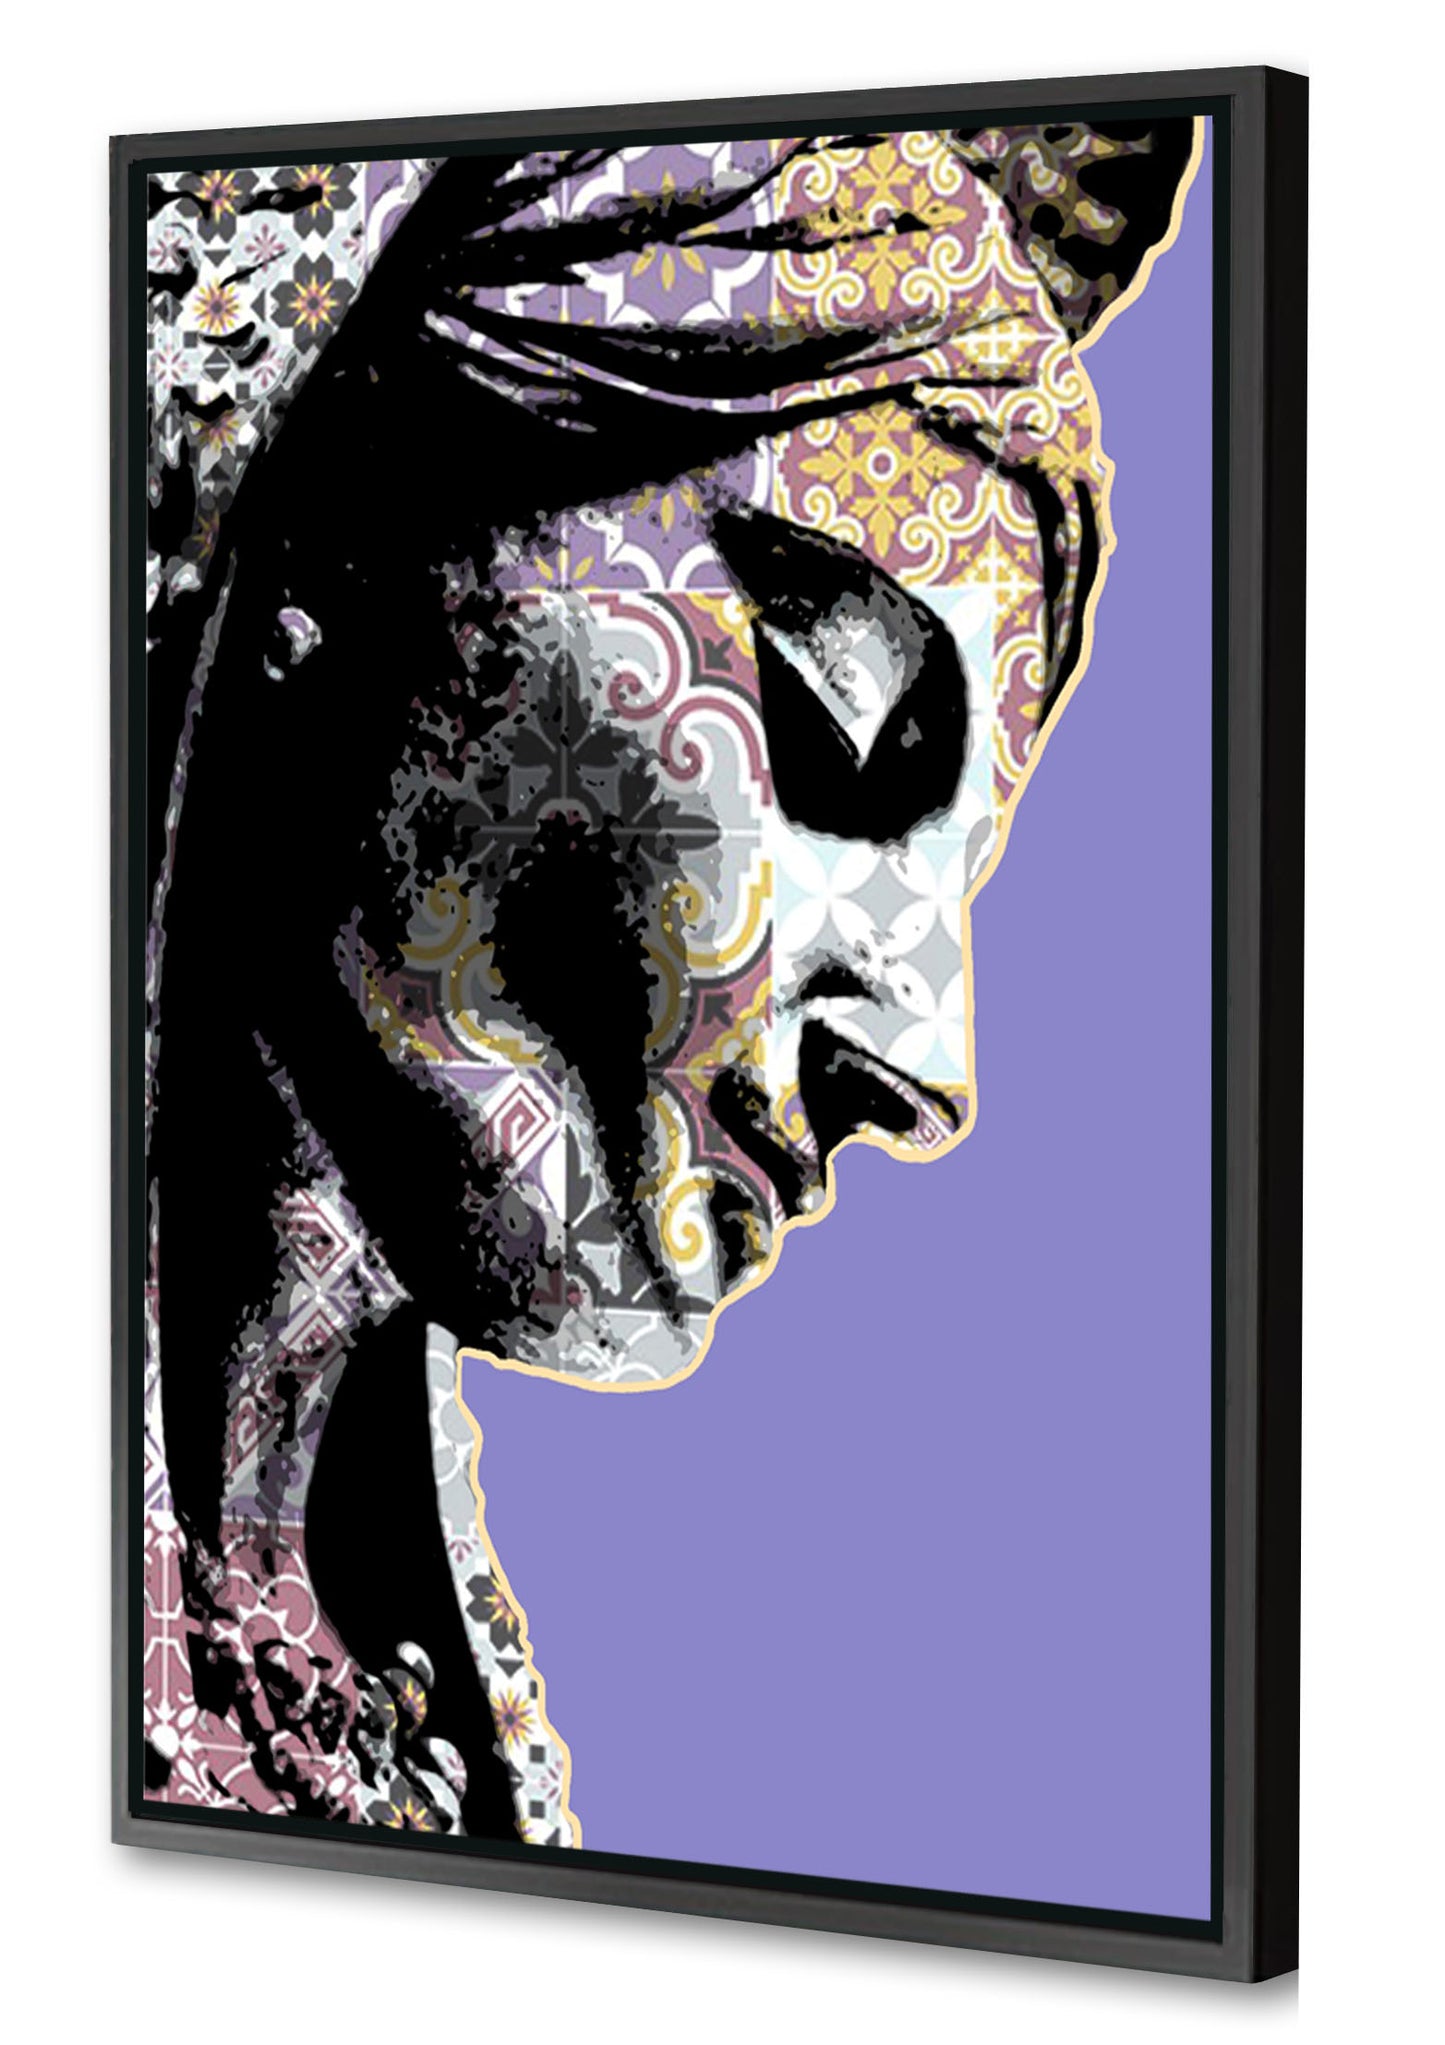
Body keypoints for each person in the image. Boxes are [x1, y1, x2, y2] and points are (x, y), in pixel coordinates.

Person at [143, 122, 1199, 1842]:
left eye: (958, 879)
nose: (924, 1058)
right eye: (841, 736)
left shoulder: (406, 1714)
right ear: (346, 528)